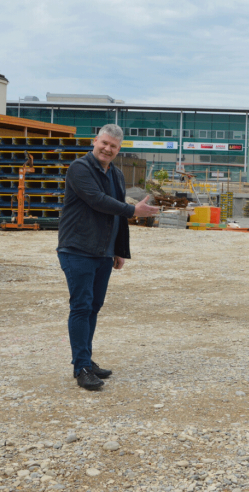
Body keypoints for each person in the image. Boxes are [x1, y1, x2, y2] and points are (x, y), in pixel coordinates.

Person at [57, 124, 159, 390]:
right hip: (77, 248)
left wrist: (118, 250)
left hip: (103, 252)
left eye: (113, 146)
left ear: (118, 149)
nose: (107, 149)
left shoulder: (115, 173)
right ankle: (80, 367)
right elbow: (97, 200)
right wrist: (133, 209)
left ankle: (87, 361)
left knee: (94, 307)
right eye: (104, 143)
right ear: (95, 141)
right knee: (81, 306)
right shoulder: (80, 168)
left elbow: (117, 218)